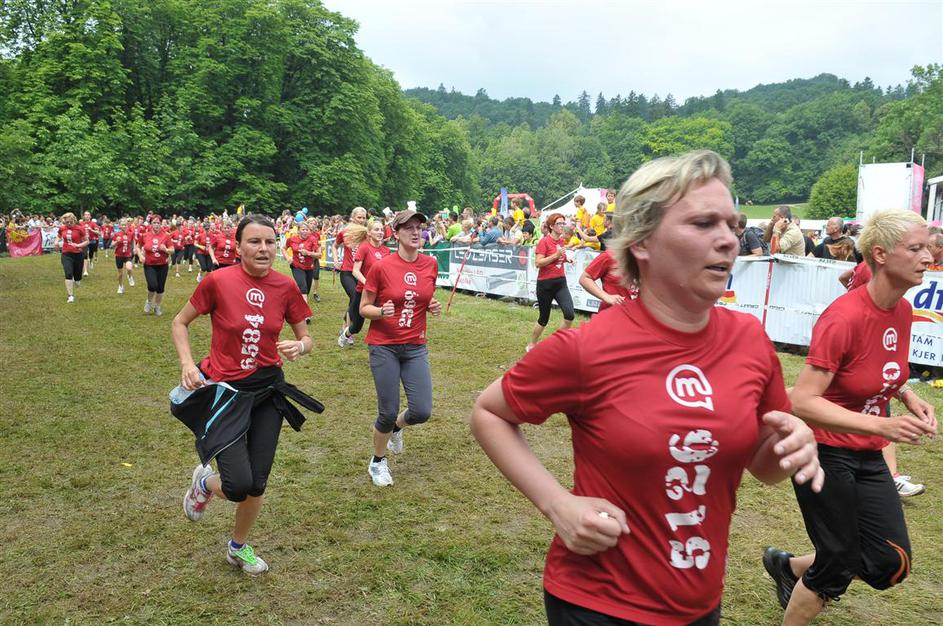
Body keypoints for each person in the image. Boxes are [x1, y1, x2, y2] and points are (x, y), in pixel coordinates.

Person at [472, 150, 822, 626]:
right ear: (642, 242)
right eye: (703, 223)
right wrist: (557, 504)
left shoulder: (750, 340)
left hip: (700, 604)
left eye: (731, 224)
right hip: (598, 603)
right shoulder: (588, 347)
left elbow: (765, 468)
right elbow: (489, 412)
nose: (728, 239)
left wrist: (794, 444)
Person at [764, 208, 938, 625]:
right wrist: (882, 424)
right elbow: (803, 401)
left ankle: (789, 567)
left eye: (928, 248)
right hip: (820, 450)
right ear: (880, 254)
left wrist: (906, 394)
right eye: (915, 248)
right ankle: (814, 573)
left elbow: (879, 367)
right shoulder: (843, 317)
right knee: (839, 562)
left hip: (866, 452)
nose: (928, 257)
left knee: (889, 563)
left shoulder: (902, 309)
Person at [172, 214, 315, 575]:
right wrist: (187, 364)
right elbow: (180, 322)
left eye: (269, 242)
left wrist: (301, 346)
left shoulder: (285, 287)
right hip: (227, 395)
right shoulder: (218, 281)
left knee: (258, 482)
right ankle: (204, 483)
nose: (263, 249)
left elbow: (306, 336)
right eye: (254, 241)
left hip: (268, 393)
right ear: (238, 247)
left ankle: (237, 548)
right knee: (238, 485)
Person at [359, 209, 440, 487]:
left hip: (415, 345)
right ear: (396, 234)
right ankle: (377, 462)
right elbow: (364, 308)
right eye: (409, 228)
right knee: (387, 410)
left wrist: (430, 305)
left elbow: (421, 297)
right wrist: (380, 311)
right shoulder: (381, 267)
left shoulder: (430, 264)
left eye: (419, 228)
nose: (416, 232)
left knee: (421, 411)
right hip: (384, 346)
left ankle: (396, 428)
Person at [528, 213, 575, 353]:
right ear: (551, 226)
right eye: (559, 223)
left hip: (560, 283)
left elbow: (560, 257)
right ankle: (532, 344)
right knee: (544, 319)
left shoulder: (561, 241)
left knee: (569, 315)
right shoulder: (544, 242)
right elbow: (538, 263)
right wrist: (556, 256)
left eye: (563, 223)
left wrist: (567, 259)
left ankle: (555, 344)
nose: (562, 226)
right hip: (545, 285)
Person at [333, 206, 369, 343]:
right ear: (353, 218)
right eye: (359, 217)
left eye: (363, 218)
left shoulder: (366, 233)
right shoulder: (345, 232)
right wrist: (336, 260)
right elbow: (335, 246)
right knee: (354, 297)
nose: (361, 220)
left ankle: (345, 327)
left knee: (354, 301)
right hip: (347, 271)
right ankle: (348, 330)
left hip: (360, 273)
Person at [137, 215, 173, 316]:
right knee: (152, 285)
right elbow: (138, 246)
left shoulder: (166, 236)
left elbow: (172, 250)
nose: (156, 225)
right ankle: (149, 302)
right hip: (149, 264)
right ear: (151, 224)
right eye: (154, 223)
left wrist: (166, 250)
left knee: (160, 288)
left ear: (161, 224)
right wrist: (140, 256)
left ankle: (157, 306)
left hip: (162, 265)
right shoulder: (145, 235)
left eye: (158, 223)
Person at [284, 221, 321, 309]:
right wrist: (287, 257)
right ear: (298, 231)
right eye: (303, 229)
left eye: (307, 230)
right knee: (303, 288)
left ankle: (295, 301)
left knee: (306, 290)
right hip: (296, 266)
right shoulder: (292, 239)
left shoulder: (312, 239)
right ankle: (305, 313)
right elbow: (283, 248)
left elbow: (319, 255)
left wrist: (308, 253)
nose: (305, 231)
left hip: (309, 267)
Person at [55, 212, 89, 303]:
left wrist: (78, 245)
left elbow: (87, 241)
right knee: (68, 273)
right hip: (66, 254)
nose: (69, 224)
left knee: (77, 277)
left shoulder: (80, 229)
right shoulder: (62, 228)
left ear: (74, 220)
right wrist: (56, 242)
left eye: (71, 222)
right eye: (67, 222)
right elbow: (58, 236)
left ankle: (77, 280)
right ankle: (70, 296)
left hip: (78, 254)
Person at [112, 218, 136, 294]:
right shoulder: (117, 234)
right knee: (120, 274)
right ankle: (120, 286)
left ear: (127, 225)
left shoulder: (130, 234)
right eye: (122, 225)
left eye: (125, 225)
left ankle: (130, 276)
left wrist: (134, 248)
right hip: (119, 255)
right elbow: (111, 245)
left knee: (129, 268)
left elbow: (133, 241)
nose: (124, 226)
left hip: (128, 254)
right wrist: (116, 241)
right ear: (120, 226)